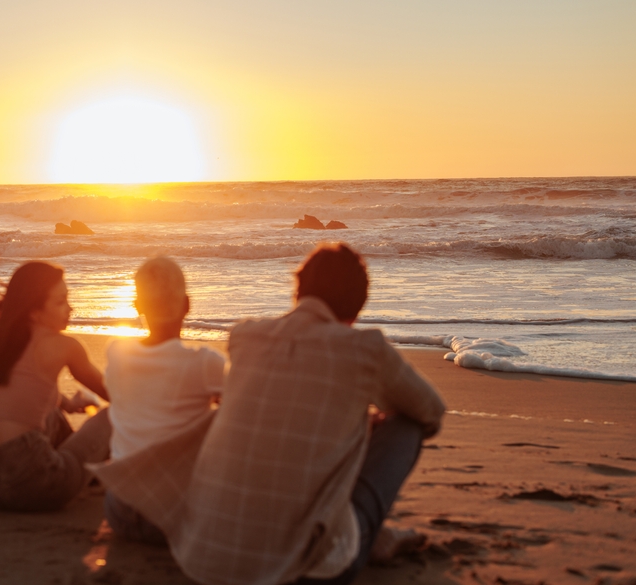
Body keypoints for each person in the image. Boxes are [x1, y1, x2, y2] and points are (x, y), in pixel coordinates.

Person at [93, 242, 446, 585]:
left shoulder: (246, 336)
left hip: (206, 558)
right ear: (357, 308)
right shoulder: (365, 348)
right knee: (406, 427)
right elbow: (430, 411)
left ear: (297, 294)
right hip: (307, 569)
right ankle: (366, 533)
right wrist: (366, 420)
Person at [103, 257, 226, 544]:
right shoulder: (204, 363)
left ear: (137, 306)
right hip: (174, 514)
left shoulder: (116, 353)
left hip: (119, 509)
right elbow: (246, 408)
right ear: (187, 305)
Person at [0, 261, 112, 512]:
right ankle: (115, 474)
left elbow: (23, 391)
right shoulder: (63, 345)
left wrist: (68, 403)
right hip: (36, 485)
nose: (70, 308)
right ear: (34, 312)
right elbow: (115, 394)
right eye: (60, 302)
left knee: (53, 415)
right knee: (115, 415)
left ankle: (89, 475)